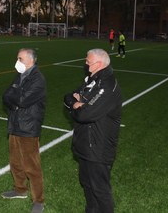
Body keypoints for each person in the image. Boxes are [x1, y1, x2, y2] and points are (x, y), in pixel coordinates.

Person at [63, 48, 122, 213]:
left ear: (99, 64)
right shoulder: (92, 79)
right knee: (87, 183)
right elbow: (69, 96)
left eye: (88, 61)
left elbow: (84, 114)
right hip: (85, 145)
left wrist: (78, 105)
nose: (85, 62)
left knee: (100, 189)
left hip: (98, 148)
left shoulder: (107, 85)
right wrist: (76, 103)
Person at [1, 48, 46, 213]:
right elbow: (6, 96)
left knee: (32, 166)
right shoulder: (20, 75)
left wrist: (15, 98)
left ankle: (38, 200)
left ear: (30, 60)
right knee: (15, 162)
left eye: (20, 58)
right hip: (14, 125)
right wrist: (15, 100)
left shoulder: (38, 79)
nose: (17, 61)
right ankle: (20, 189)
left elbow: (23, 100)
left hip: (28, 127)